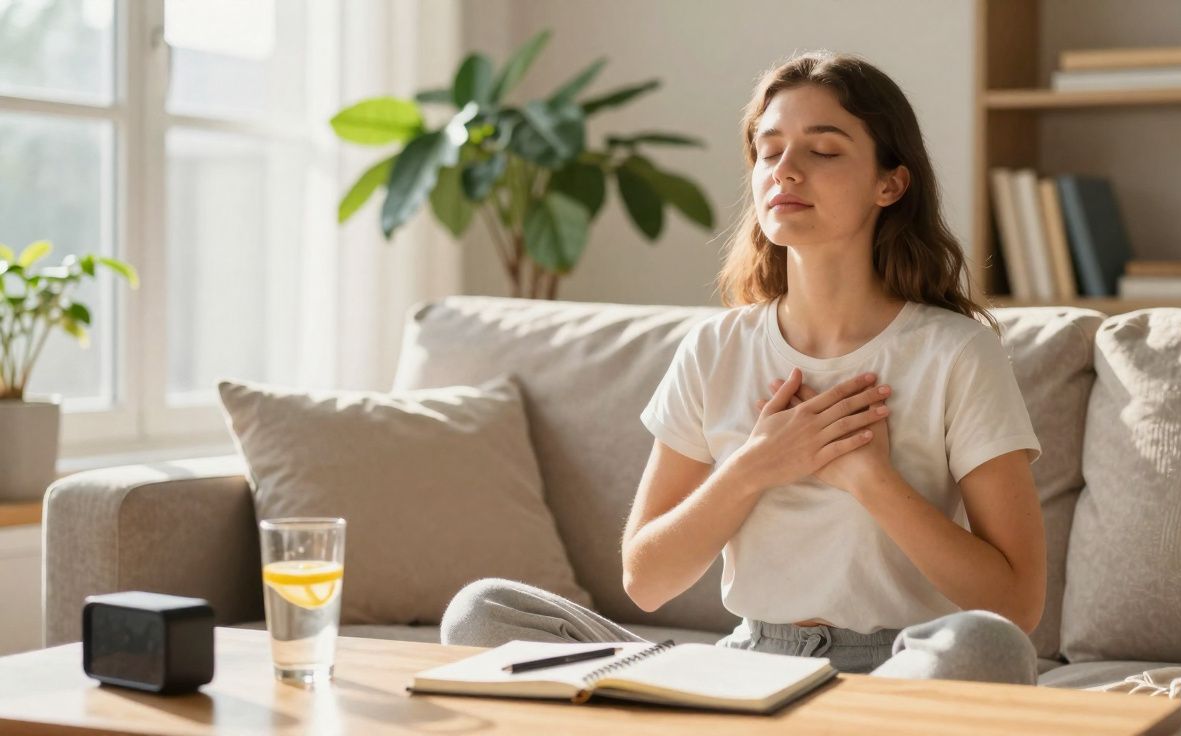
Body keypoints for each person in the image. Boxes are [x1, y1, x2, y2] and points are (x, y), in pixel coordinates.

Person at [441, 50, 1045, 685]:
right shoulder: (716, 348)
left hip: (897, 672)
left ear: (890, 183)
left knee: (986, 649)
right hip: (747, 664)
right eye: (769, 149)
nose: (785, 170)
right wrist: (756, 466)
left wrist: (871, 480)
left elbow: (1016, 606)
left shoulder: (956, 352)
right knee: (483, 612)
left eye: (824, 150)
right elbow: (646, 581)